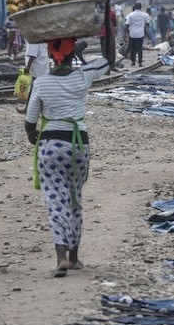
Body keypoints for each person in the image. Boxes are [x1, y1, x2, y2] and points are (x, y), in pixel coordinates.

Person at [24, 38, 110, 278]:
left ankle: (61, 257)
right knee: (74, 197)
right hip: (78, 144)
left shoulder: (41, 83)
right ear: (75, 55)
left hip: (50, 145)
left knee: (55, 201)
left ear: (51, 56)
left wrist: (33, 136)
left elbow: (29, 122)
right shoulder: (84, 76)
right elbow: (109, 60)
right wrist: (106, 25)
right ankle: (74, 257)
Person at [124, 2, 151, 67]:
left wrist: (124, 33)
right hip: (140, 34)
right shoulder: (144, 15)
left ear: (135, 7)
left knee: (132, 48)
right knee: (139, 49)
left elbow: (127, 25)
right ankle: (140, 62)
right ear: (141, 7)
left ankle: (133, 62)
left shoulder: (130, 15)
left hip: (132, 34)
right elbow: (148, 24)